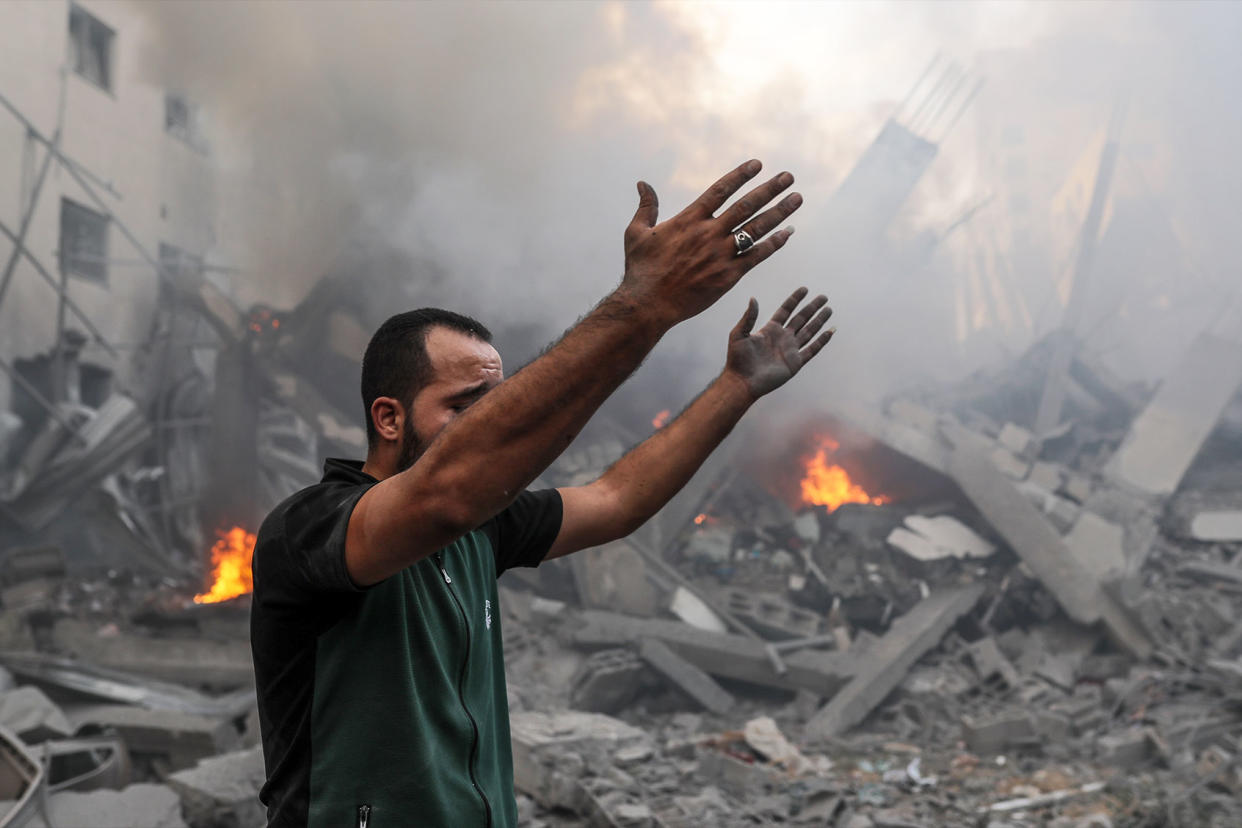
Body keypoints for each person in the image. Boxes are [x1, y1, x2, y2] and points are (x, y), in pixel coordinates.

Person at [250, 160, 834, 828]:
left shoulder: (482, 528)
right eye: (465, 405)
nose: (497, 426)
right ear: (388, 418)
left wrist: (736, 387)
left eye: (499, 404)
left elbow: (617, 499)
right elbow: (442, 495)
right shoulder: (309, 530)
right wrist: (646, 304)